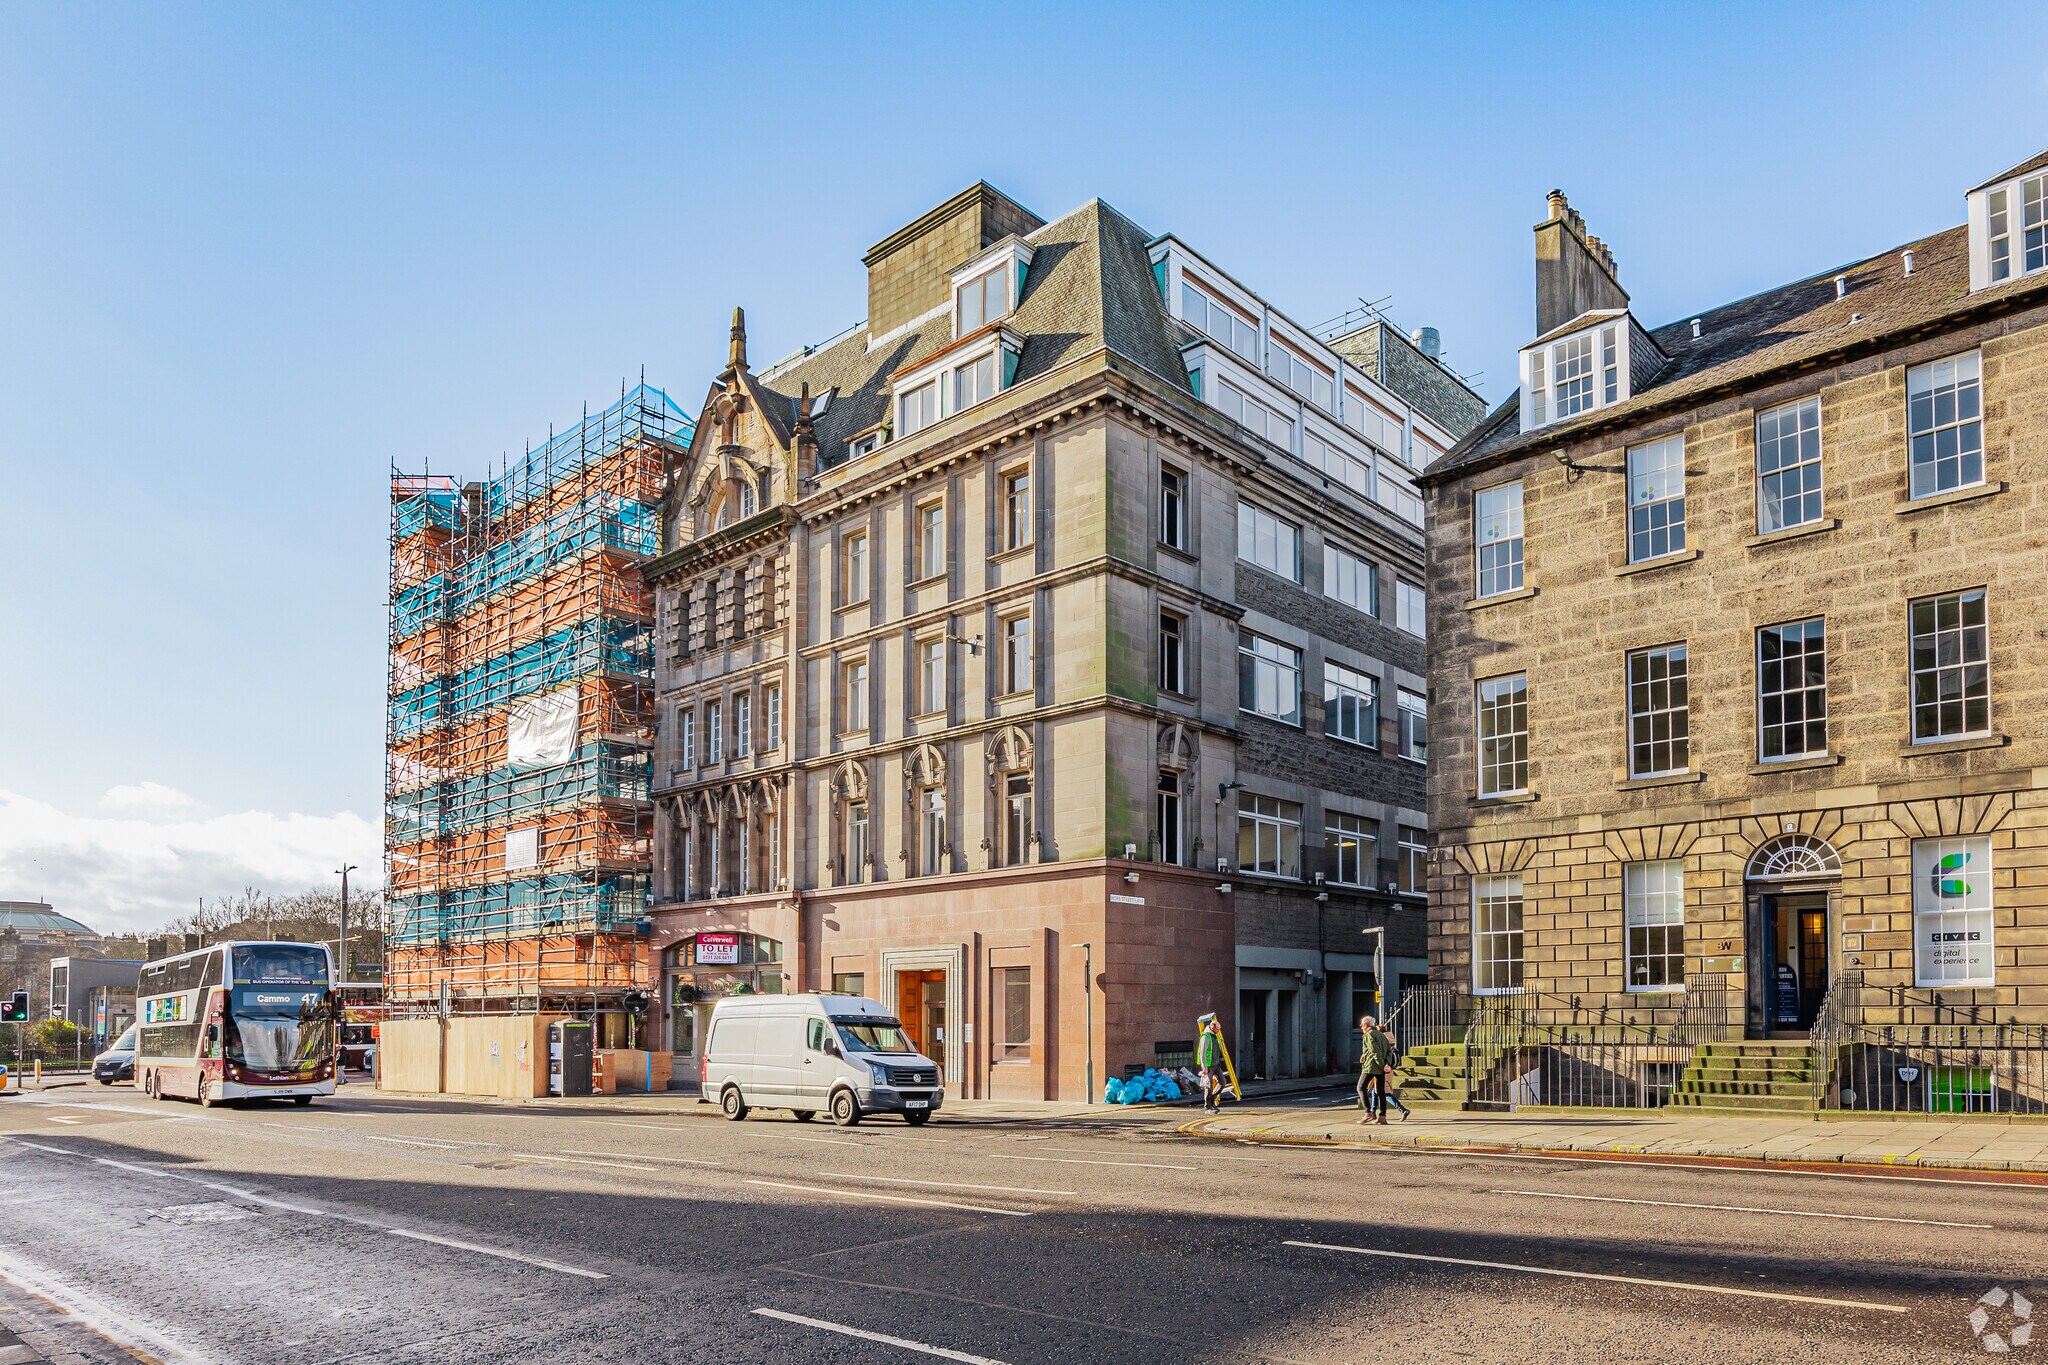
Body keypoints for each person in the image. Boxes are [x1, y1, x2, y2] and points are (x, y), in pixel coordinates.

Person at [1357, 1014, 1396, 1124]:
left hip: (1371, 1066)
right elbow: (1389, 1050)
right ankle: (1382, 1116)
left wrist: (1381, 1064)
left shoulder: (1369, 1035)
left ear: (1365, 1025)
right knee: (1381, 1092)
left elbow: (1375, 1051)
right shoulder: (1382, 1035)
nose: (1361, 1027)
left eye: (1361, 1025)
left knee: (1360, 1087)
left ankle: (1368, 1112)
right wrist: (1387, 1064)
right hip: (1382, 1068)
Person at [1378, 1021, 1412, 1122]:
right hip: (1389, 1070)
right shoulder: (1390, 1041)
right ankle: (1372, 1112)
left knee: (1384, 1093)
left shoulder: (1382, 1042)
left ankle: (1402, 1109)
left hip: (1383, 1070)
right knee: (1375, 1092)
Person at [1196, 1014, 1227, 1114]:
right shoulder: (1205, 1037)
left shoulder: (1215, 1036)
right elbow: (1203, 1053)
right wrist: (1204, 1067)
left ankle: (1212, 1101)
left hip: (1216, 1064)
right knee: (1208, 1086)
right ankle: (1208, 1106)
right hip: (1208, 1065)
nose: (1219, 1030)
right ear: (1212, 1027)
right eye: (1218, 1029)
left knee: (1222, 1082)